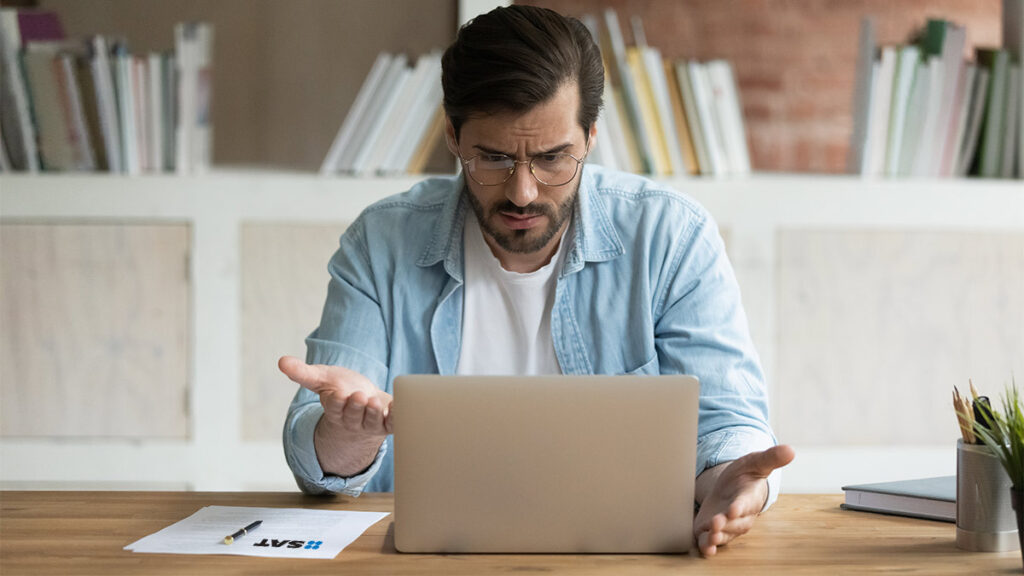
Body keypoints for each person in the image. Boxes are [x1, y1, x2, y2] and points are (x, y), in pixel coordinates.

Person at [279, 4, 794, 557]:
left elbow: (728, 423)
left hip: (623, 560)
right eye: (494, 158)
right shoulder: (381, 242)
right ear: (453, 135)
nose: (523, 192)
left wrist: (730, 480)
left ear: (591, 136)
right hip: (425, 563)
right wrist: (351, 434)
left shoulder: (671, 236)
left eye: (553, 159)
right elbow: (319, 463)